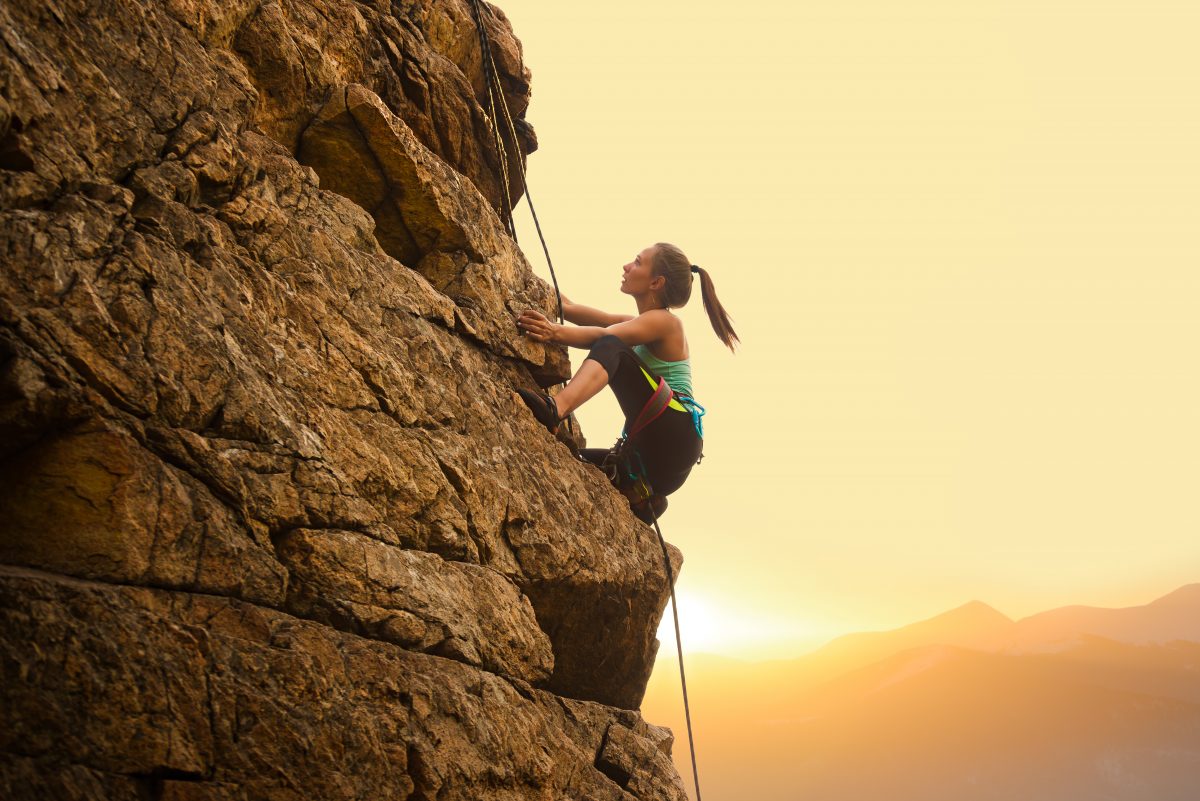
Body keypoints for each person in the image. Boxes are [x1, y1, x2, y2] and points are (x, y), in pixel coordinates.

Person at [515, 242, 738, 520]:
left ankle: (556, 409)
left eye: (637, 262)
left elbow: (603, 338)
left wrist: (554, 332)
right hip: (660, 458)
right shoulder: (639, 322)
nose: (626, 266)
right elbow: (570, 307)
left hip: (674, 431)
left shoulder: (667, 323)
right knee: (573, 458)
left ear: (656, 282)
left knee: (611, 345)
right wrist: (520, 270)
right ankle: (643, 497)